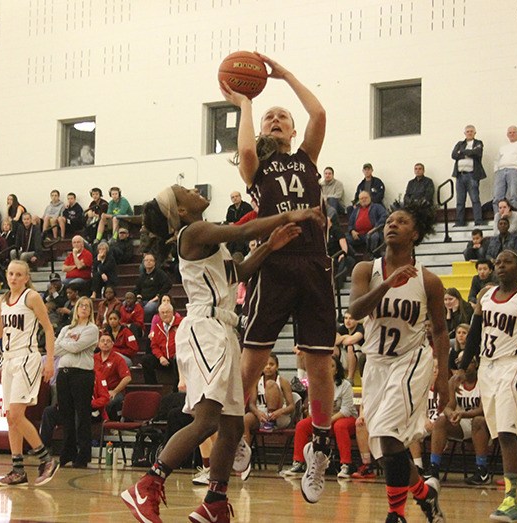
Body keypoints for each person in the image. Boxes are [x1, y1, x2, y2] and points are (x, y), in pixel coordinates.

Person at [121, 183, 323, 523]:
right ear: (181, 211)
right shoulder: (194, 231)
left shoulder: (204, 240)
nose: (192, 189)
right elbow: (243, 229)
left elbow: (238, 273)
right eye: (184, 191)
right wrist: (289, 214)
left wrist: (270, 246)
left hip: (224, 329)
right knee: (207, 421)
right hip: (205, 329)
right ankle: (148, 483)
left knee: (231, 428)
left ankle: (214, 502)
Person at [221, 53, 337, 505]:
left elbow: (320, 113)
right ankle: (239, 429)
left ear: (292, 131)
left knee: (320, 362)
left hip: (313, 263)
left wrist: (285, 75)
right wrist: (246, 100)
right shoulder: (256, 168)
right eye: (270, 116)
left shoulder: (307, 157)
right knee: (252, 360)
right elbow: (247, 149)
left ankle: (320, 445)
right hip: (274, 264)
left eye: (282, 116)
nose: (275, 118)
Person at [348, 200, 449, 523]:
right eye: (389, 220)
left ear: (415, 233)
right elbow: (355, 312)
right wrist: (388, 284)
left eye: (401, 221)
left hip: (411, 360)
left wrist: (443, 376)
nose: (392, 224)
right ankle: (425, 494)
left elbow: (442, 330)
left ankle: (397, 515)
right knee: (385, 448)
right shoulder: (366, 270)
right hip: (375, 364)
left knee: (391, 437)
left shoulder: (428, 281)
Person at [456, 250, 517, 521]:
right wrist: (462, 369)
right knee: (502, 432)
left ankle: (510, 499)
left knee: (508, 432)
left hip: (514, 366)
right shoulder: (485, 295)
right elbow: (474, 334)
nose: (500, 266)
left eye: (506, 262)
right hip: (487, 367)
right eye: (497, 262)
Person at [0, 260, 59, 486]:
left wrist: (49, 360)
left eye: (19, 274)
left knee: (17, 415)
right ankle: (17, 470)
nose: (14, 278)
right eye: (10, 273)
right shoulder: (3, 300)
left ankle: (46, 459)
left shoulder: (31, 297)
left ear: (26, 277)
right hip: (8, 361)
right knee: (10, 418)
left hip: (26, 358)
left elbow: (48, 328)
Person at [282, 355, 357, 479]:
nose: (328, 368)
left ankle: (346, 465)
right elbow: (312, 409)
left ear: (337, 370)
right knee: (302, 425)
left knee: (340, 426)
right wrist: (322, 421)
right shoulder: (316, 384)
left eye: (332, 366)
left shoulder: (345, 386)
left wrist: (327, 421)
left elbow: (346, 410)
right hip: (324, 420)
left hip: (343, 419)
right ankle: (299, 462)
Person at [427, 356, 490, 485]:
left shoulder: (483, 381)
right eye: (461, 363)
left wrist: (462, 414)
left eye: (469, 363)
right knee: (441, 421)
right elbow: (447, 406)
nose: (465, 366)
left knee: (478, 420)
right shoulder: (454, 381)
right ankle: (434, 468)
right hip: (464, 422)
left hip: (484, 423)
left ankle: (482, 471)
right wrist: (451, 415)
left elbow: (483, 410)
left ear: (476, 365)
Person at [54, 296, 99, 468]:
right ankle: (68, 452)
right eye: (81, 305)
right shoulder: (66, 328)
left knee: (82, 415)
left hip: (82, 374)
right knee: (66, 415)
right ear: (76, 308)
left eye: (87, 306)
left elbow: (75, 347)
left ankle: (83, 454)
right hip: (63, 373)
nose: (84, 308)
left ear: (90, 310)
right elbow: (55, 350)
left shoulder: (92, 329)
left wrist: (67, 343)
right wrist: (70, 342)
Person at [40, 367, 110, 453]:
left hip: (91, 411)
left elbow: (105, 398)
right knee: (49, 411)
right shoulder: (67, 375)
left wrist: (89, 403)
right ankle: (45, 446)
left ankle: (77, 448)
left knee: (79, 412)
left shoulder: (97, 375)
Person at [242, 353, 295, 444]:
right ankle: (245, 452)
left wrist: (280, 412)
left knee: (270, 384)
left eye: (271, 364)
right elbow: (252, 404)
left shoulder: (283, 382)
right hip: (263, 415)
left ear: (277, 367)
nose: (268, 367)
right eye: (265, 364)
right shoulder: (256, 381)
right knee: (245, 420)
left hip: (279, 416)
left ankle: (271, 422)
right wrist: (258, 413)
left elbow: (292, 406)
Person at [451, 125, 486, 226]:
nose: (469, 133)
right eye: (467, 131)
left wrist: (462, 152)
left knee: (475, 199)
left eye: (471, 131)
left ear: (475, 133)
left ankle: (478, 221)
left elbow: (477, 152)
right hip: (460, 175)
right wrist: (469, 153)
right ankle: (459, 222)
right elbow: (453, 155)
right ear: (464, 133)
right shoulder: (460, 143)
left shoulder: (478, 143)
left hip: (472, 175)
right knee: (460, 200)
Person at [141, 303, 181, 389]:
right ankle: (152, 387)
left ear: (173, 312)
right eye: (162, 313)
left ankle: (176, 389)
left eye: (167, 312)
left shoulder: (181, 324)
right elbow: (154, 345)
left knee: (177, 358)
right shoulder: (157, 327)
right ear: (159, 315)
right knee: (146, 360)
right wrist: (160, 357)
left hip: (176, 358)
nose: (165, 314)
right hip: (163, 358)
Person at [94, 331, 132, 421]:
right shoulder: (93, 358)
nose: (105, 343)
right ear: (98, 344)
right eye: (102, 341)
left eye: (108, 341)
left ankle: (109, 427)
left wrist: (115, 391)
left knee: (107, 403)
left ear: (112, 344)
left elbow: (127, 378)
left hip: (112, 392)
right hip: (96, 393)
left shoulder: (118, 359)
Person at [492, 126, 517, 214]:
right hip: (501, 171)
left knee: (513, 195)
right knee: (497, 196)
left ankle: (513, 216)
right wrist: (496, 170)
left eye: (514, 132)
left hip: (514, 170)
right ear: (507, 135)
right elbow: (496, 160)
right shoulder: (503, 147)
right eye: (510, 132)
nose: (512, 134)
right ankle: (498, 218)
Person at [134, 252, 172, 323]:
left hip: (154, 300)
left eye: (151, 260)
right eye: (146, 260)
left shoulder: (159, 273)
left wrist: (158, 296)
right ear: (143, 263)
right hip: (142, 300)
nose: (148, 262)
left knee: (148, 308)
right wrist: (137, 295)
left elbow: (168, 284)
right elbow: (136, 288)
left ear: (154, 262)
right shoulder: (142, 275)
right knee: (127, 304)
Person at [346, 190, 387, 256]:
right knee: (343, 238)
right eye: (361, 198)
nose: (364, 200)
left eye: (366, 198)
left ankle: (371, 255)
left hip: (372, 233)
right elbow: (350, 223)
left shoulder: (377, 207)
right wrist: (352, 231)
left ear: (370, 198)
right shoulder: (356, 210)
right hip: (358, 235)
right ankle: (354, 255)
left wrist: (374, 229)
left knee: (374, 236)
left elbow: (384, 216)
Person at [334, 310, 364, 384]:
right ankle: (334, 377)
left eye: (351, 318)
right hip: (347, 357)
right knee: (333, 349)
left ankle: (350, 378)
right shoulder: (342, 328)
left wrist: (343, 339)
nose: (348, 321)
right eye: (346, 318)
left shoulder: (361, 328)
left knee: (350, 346)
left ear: (357, 320)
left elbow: (351, 341)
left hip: (360, 357)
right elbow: (335, 341)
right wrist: (345, 336)